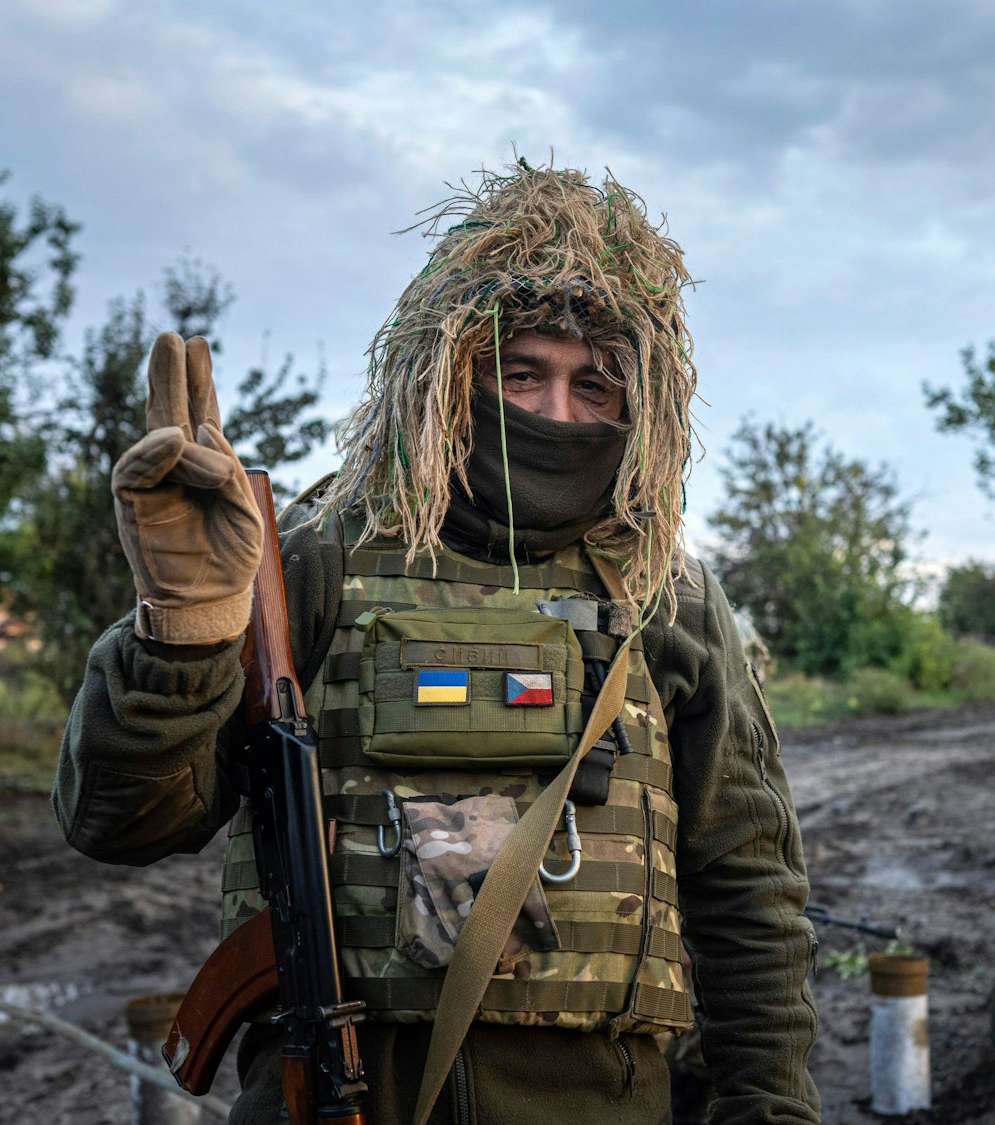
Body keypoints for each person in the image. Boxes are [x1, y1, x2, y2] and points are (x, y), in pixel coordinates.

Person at [53, 163, 821, 1125]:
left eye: (595, 384)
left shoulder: (669, 596)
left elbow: (749, 890)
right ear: (449, 370)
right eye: (522, 371)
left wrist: (770, 1106)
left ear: (644, 404)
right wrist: (184, 630)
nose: (554, 413)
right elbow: (120, 823)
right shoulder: (311, 557)